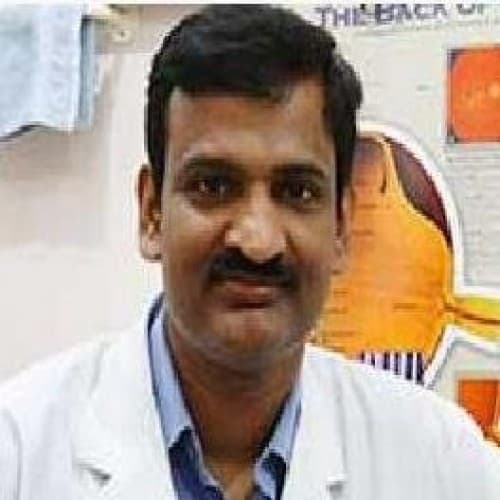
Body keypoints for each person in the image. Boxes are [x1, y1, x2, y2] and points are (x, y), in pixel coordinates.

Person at [0, 5, 498, 500]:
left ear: (342, 226)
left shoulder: (443, 462)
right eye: (213, 186)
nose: (258, 240)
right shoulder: (19, 453)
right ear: (151, 213)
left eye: (297, 191)